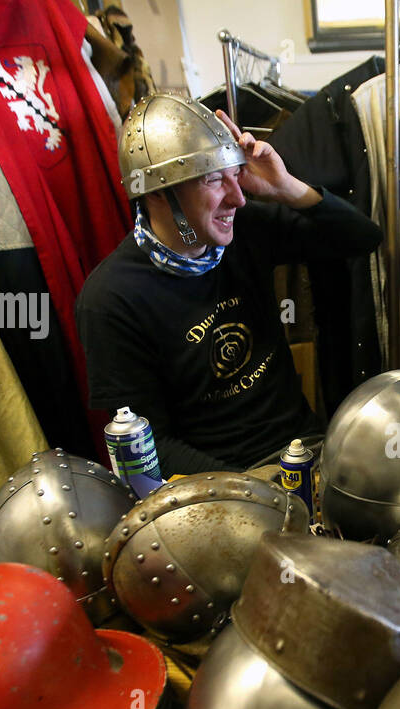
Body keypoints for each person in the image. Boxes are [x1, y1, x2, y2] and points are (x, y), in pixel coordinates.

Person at [77, 94, 383, 476]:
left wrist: (285, 186)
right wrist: (254, 495)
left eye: (234, 174)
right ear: (158, 192)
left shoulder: (246, 230)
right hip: (217, 487)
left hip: (304, 452)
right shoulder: (111, 299)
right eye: (212, 180)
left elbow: (363, 238)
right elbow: (150, 449)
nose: (237, 198)